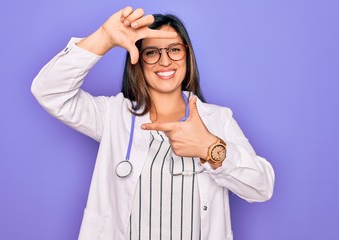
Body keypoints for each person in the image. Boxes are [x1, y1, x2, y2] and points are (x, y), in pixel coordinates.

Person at [31, 6, 275, 240]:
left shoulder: (218, 119)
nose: (165, 61)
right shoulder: (113, 116)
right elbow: (49, 91)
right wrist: (104, 37)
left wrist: (210, 148)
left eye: (174, 49)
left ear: (187, 55)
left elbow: (261, 187)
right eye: (152, 52)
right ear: (137, 60)